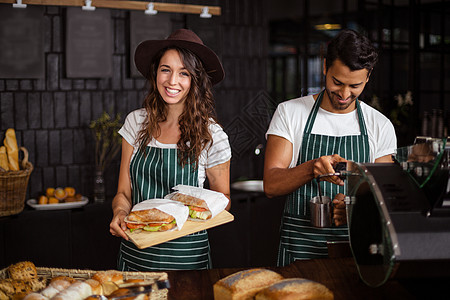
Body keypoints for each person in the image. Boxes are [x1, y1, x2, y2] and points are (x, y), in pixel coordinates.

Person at [263, 29, 397, 265]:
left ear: (368, 77)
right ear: (325, 67)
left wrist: (355, 210)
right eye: (337, 82)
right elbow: (271, 185)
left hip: (356, 253)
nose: (345, 94)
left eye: (355, 85)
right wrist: (311, 168)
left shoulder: (379, 125)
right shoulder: (290, 112)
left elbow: (385, 198)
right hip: (299, 249)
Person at [109, 29, 231, 271]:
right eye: (166, 69)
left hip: (187, 259)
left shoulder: (212, 135)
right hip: (136, 257)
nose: (172, 81)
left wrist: (189, 213)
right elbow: (123, 192)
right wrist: (120, 213)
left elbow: (223, 200)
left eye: (183, 73)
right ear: (156, 73)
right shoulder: (136, 123)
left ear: (195, 80)